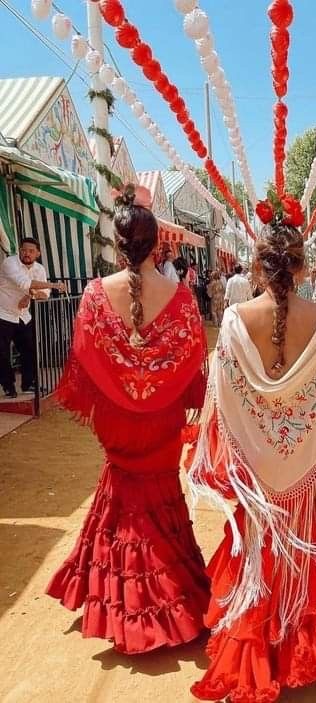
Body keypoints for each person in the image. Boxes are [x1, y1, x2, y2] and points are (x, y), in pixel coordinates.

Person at [186, 210, 316, 702]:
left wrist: (252, 444)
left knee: (257, 545)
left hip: (255, 469)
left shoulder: (234, 318)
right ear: (301, 267)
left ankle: (262, 640)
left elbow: (225, 396)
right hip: (306, 459)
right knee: (306, 537)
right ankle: (302, 642)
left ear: (257, 265)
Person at [45, 183, 210, 654]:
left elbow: (83, 356)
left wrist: (121, 386)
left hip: (117, 419)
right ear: (158, 243)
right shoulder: (181, 299)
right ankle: (176, 592)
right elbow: (194, 359)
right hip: (163, 420)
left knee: (121, 488)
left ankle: (121, 599)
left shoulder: (95, 294)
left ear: (117, 244)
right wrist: (157, 386)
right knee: (159, 489)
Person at [0, 238, 66, 398]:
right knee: (2, 353)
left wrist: (30, 295)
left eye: (30, 251)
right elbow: (24, 283)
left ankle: (28, 383)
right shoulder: (10, 263)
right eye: (23, 250)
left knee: (29, 349)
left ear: (38, 253)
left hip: (23, 315)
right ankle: (8, 386)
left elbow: (44, 295)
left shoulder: (39, 269)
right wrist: (54, 285)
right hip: (3, 313)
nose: (26, 253)